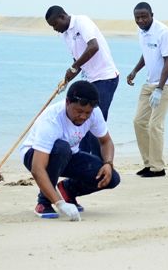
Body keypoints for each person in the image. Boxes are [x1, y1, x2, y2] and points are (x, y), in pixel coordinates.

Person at [19, 80, 120, 219]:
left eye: (87, 113)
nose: (83, 116)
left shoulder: (95, 113)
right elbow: (37, 168)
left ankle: (68, 191)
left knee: (112, 178)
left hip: (69, 155)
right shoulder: (51, 120)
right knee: (62, 148)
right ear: (67, 102)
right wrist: (60, 204)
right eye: (79, 111)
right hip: (34, 154)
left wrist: (108, 163)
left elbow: (106, 141)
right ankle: (43, 202)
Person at [45, 6, 119, 158]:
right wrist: (67, 79)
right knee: (83, 123)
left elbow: (93, 47)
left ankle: (99, 165)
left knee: (94, 122)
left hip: (106, 77)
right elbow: (77, 60)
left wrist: (74, 67)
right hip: (90, 80)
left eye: (55, 25)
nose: (55, 29)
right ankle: (83, 162)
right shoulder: (65, 35)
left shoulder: (82, 21)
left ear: (62, 16)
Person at [126, 2, 168, 178]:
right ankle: (148, 163)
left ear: (152, 15)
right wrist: (135, 70)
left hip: (167, 83)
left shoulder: (163, 32)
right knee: (138, 122)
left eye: (144, 16)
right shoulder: (141, 32)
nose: (141, 20)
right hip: (150, 82)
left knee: (155, 124)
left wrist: (159, 89)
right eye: (137, 18)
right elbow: (146, 54)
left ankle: (158, 168)